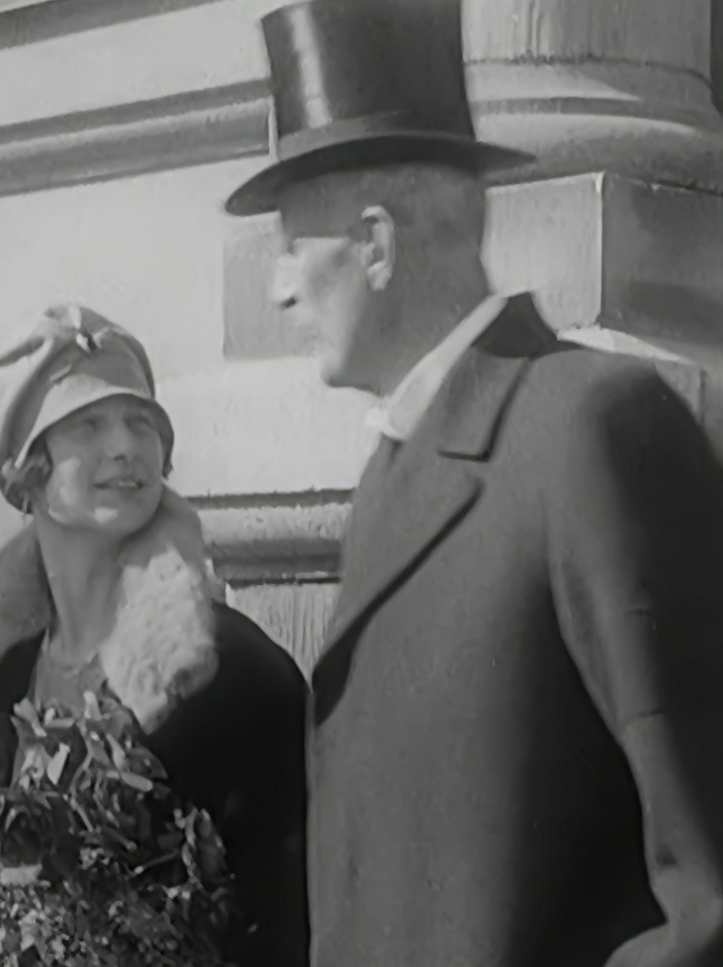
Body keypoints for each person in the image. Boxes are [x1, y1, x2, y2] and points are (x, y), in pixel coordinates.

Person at [225, 2, 723, 966]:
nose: (280, 288)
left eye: (294, 245)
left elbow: (708, 883)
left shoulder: (591, 427)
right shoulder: (393, 472)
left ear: (374, 245)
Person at [0, 303, 309, 967]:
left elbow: (281, 919)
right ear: (26, 468)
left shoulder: (231, 672)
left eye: (141, 422)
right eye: (89, 423)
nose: (127, 446)